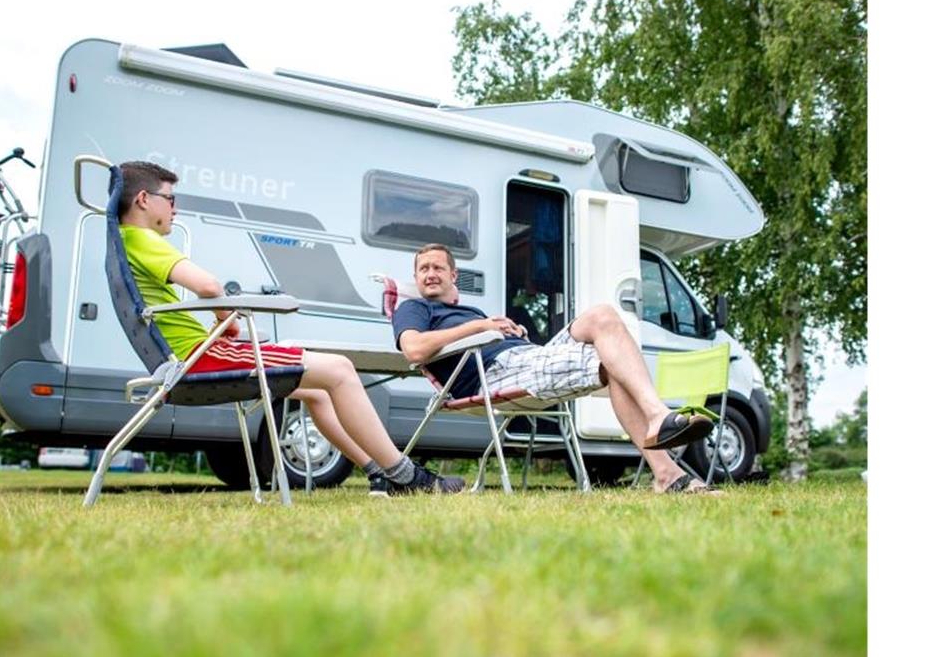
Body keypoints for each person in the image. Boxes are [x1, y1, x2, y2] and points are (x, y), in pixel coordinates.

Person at [116, 161, 463, 496]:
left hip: (192, 356)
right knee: (340, 368)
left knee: (318, 391)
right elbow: (207, 285)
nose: (175, 209)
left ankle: (376, 471)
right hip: (201, 359)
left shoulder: (122, 241)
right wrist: (226, 318)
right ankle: (408, 477)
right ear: (144, 200)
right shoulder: (140, 238)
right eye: (170, 199)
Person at [393, 243, 718, 494]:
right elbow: (414, 348)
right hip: (492, 374)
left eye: (437, 267)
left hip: (525, 357)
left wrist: (506, 330)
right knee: (610, 363)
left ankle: (660, 433)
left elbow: (487, 332)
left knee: (602, 315)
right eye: (423, 269)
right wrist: (480, 327)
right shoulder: (414, 308)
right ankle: (666, 467)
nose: (429, 273)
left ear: (453, 275)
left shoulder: (470, 310)